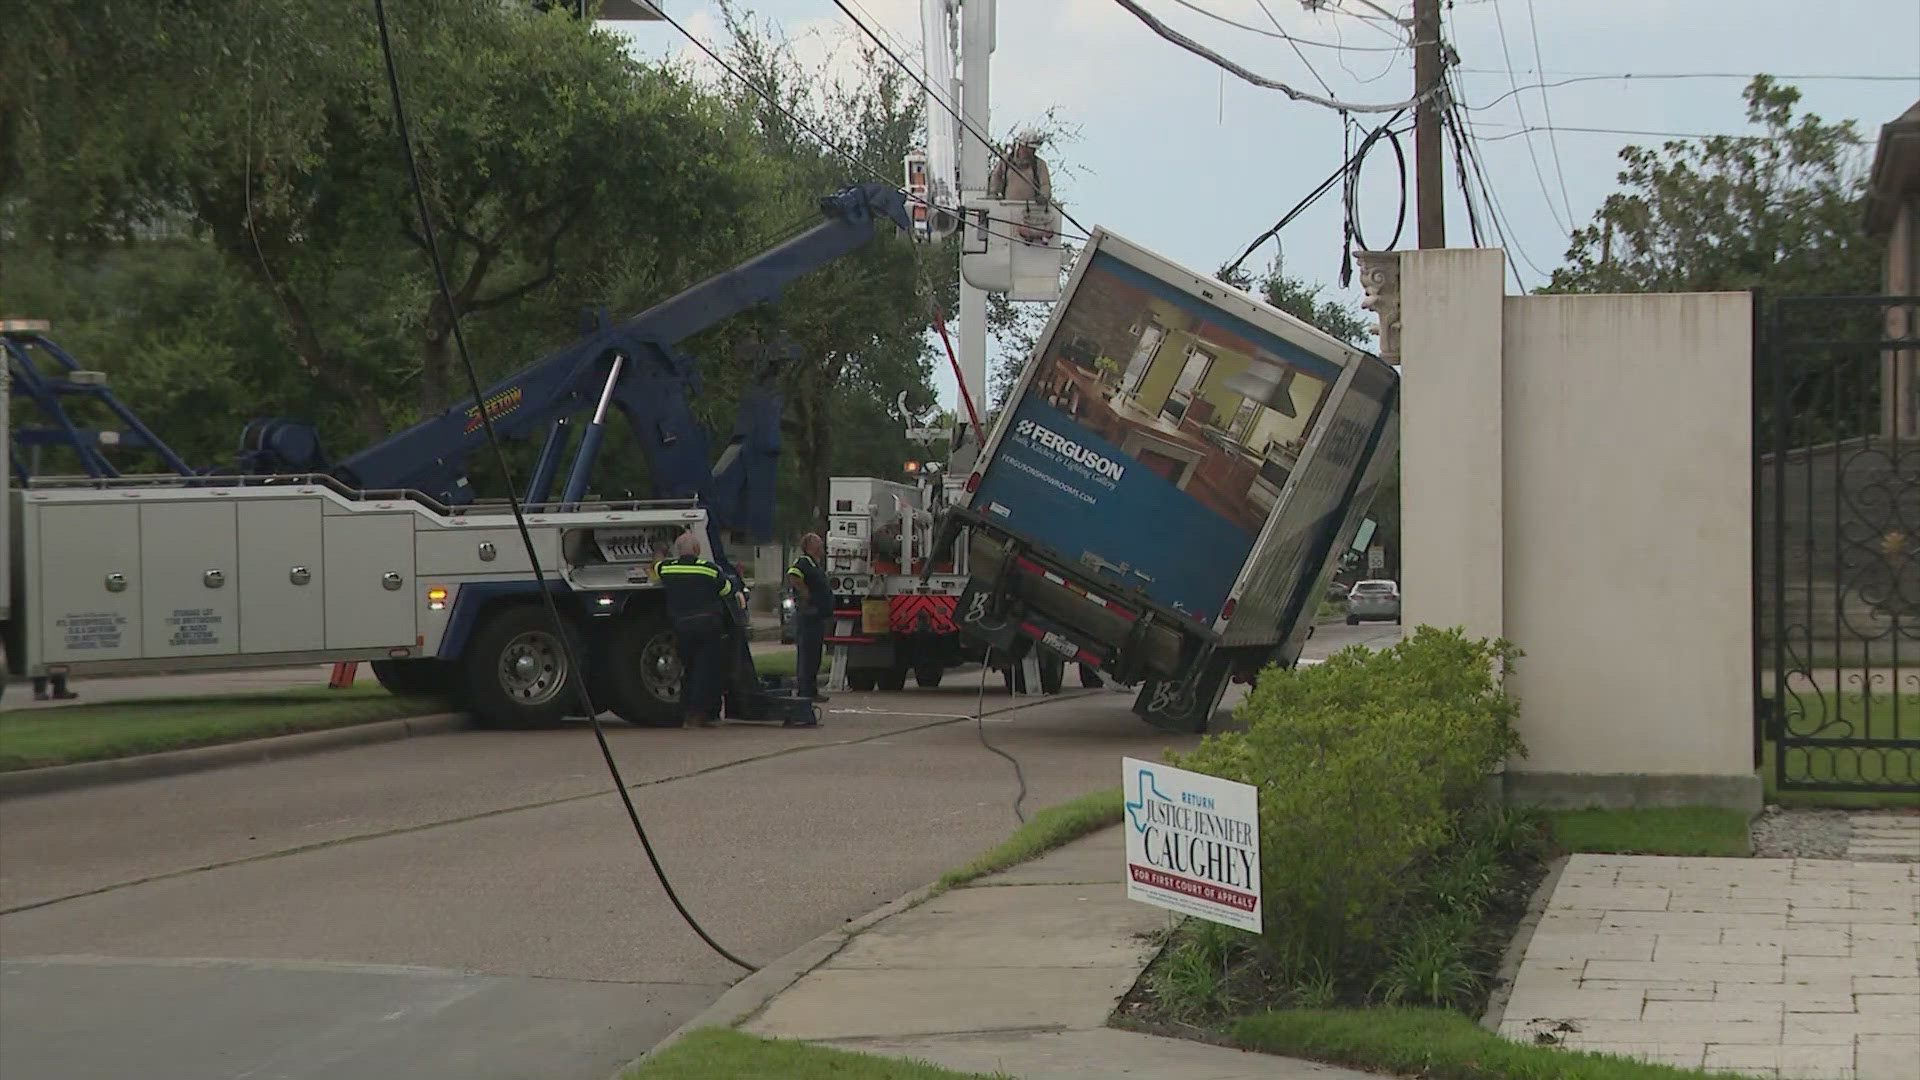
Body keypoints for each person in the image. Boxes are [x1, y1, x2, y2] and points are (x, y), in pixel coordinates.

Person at [653, 531, 734, 728]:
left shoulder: (668, 568)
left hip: (682, 626)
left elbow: (656, 567)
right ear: (697, 550)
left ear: (679, 551)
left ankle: (686, 714)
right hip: (708, 626)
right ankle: (700, 714)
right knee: (705, 671)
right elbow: (727, 590)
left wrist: (659, 551)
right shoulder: (710, 570)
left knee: (688, 670)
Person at [786, 533, 833, 702]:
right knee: (807, 654)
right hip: (808, 616)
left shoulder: (816, 564)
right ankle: (804, 691)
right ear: (809, 546)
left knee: (815, 655)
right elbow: (793, 575)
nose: (822, 546)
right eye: (818, 544)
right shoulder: (804, 562)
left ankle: (812, 690)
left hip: (818, 616)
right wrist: (805, 594)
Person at [985, 129, 1055, 243]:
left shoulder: (1039, 165)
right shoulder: (1006, 161)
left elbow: (1045, 184)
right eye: (1029, 148)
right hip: (1008, 210)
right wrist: (993, 194)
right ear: (1021, 146)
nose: (1031, 152)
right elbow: (996, 177)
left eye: (1033, 149)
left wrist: (1044, 196)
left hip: (1031, 213)